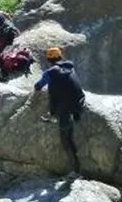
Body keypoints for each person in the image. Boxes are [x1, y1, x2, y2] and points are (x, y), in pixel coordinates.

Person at [34, 47, 86, 179]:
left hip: (65, 109)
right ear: (60, 57)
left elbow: (38, 86)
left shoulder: (50, 72)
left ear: (48, 60)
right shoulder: (70, 66)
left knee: (66, 139)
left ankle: (75, 171)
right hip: (80, 102)